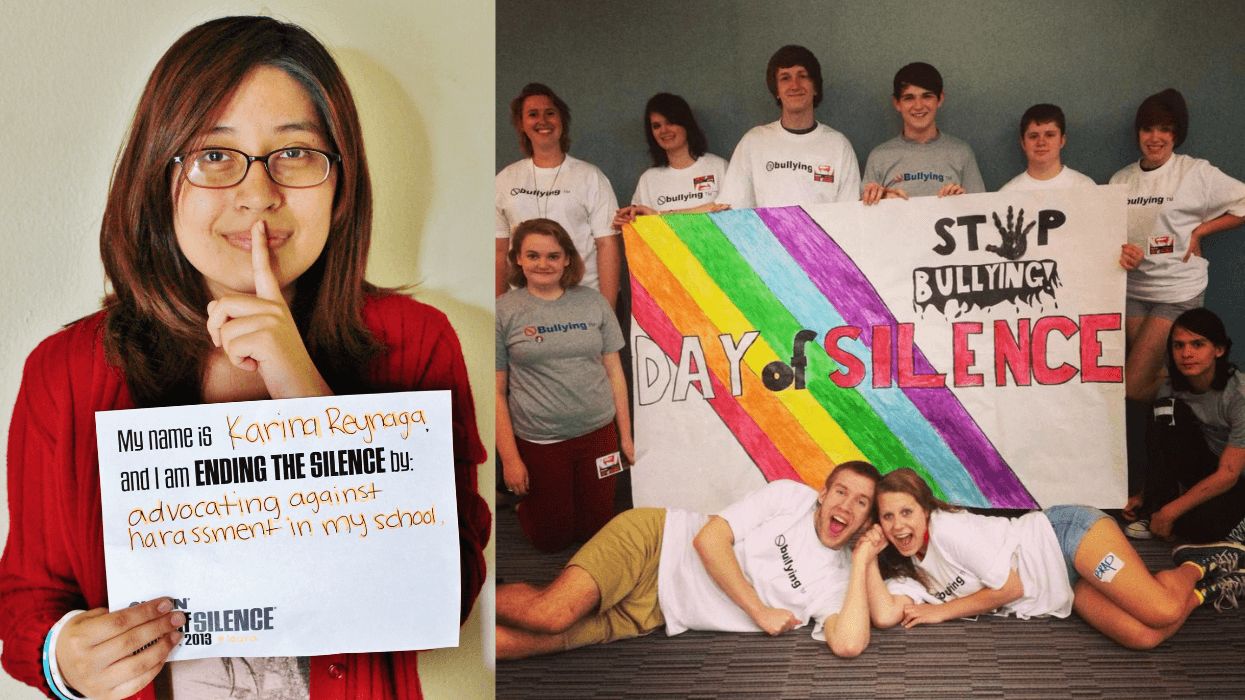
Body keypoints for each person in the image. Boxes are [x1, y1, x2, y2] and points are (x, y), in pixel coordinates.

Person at [0, 17, 490, 700]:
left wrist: (306, 395)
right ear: (156, 175)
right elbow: (27, 602)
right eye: (212, 156)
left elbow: (449, 591)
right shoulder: (65, 371)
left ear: (341, 182)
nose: (258, 193)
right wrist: (63, 659)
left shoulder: (417, 341)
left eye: (295, 154)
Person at [496, 462, 883, 659]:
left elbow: (848, 645)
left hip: (655, 613)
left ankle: (460, 617)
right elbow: (709, 539)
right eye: (840, 492)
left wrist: (865, 557)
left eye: (860, 503)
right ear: (822, 493)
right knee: (552, 613)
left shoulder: (840, 578)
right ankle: (463, 589)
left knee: (518, 645)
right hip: (657, 542)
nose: (846, 506)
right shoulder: (788, 497)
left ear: (866, 520)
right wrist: (760, 610)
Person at [865, 469, 1243, 651]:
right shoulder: (904, 565)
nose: (898, 525)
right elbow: (884, 615)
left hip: (1067, 538)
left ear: (925, 510)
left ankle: (1194, 563)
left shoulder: (949, 530)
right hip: (1065, 589)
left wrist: (943, 612)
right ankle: (1207, 590)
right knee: (1143, 637)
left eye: (907, 512)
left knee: (1160, 611)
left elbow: (1010, 587)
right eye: (888, 517)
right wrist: (865, 556)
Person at [496, 218, 634, 553]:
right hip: (541, 441)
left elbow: (615, 372)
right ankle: (525, 506)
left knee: (595, 533)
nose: (543, 264)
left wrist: (625, 438)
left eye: (553, 256)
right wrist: (510, 459)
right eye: (533, 255)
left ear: (567, 259)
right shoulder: (504, 311)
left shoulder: (594, 302)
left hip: (598, 435)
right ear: (517, 259)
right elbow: (495, 393)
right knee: (551, 540)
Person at [1113, 89, 1245, 402]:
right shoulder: (1121, 180)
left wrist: (1201, 231)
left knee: (1133, 385)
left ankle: (1209, 396)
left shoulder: (1195, 172)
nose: (1155, 137)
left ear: (1176, 134)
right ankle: (1171, 440)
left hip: (1177, 291)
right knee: (1152, 378)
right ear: (1138, 133)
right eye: (1147, 128)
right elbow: (1111, 234)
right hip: (1133, 293)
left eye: (1165, 129)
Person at [1122, 309, 1245, 542]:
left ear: (1218, 350)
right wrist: (1147, 497)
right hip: (1202, 472)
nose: (1186, 353)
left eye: (1197, 344)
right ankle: (1154, 507)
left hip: (1234, 481)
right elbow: (1162, 453)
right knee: (1165, 407)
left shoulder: (1239, 395)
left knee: (1195, 530)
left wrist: (1171, 511)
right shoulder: (1171, 389)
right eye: (1179, 346)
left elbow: (1229, 474)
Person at [496, 83, 621, 309]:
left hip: (584, 303)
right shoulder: (505, 179)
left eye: (550, 113)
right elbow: (499, 251)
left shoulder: (591, 177)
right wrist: (499, 310)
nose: (542, 121)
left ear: (562, 121)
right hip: (525, 309)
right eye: (533, 114)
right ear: (522, 125)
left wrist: (607, 313)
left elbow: (608, 246)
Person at [716, 45, 861, 209]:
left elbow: (848, 214)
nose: (795, 85)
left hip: (821, 235)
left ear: (815, 87)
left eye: (803, 76)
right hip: (766, 235)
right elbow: (734, 208)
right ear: (776, 90)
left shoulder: (839, 145)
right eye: (785, 78)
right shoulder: (754, 141)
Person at [861, 62, 984, 204]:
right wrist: (881, 200)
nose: (918, 106)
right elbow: (863, 218)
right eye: (909, 98)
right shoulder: (879, 157)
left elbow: (979, 210)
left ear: (940, 98)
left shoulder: (961, 153)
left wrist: (960, 201)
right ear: (897, 103)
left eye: (927, 96)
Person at [612, 93, 730, 230]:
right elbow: (645, 232)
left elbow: (728, 212)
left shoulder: (718, 167)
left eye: (670, 122)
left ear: (686, 123)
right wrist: (628, 224)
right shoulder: (648, 179)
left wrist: (659, 215)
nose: (664, 131)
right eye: (656, 126)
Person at [999, 104, 1097, 191]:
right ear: (1023, 143)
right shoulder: (1008, 193)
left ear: (1062, 141)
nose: (1041, 142)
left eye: (1049, 135)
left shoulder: (1085, 187)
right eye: (1033, 136)